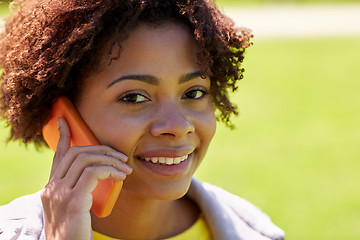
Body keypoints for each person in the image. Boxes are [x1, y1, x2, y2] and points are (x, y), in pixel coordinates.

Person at [0, 0, 285, 239]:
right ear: (62, 117)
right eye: (135, 97)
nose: (177, 126)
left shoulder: (256, 231)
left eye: (194, 92)